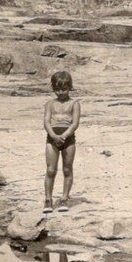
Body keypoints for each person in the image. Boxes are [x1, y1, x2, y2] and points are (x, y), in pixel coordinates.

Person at [43, 71, 81, 214]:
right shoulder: (50, 103)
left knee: (67, 168)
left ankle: (64, 198)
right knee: (51, 169)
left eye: (64, 89)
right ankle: (48, 199)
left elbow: (75, 123)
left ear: (69, 87)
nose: (61, 92)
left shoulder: (74, 103)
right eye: (57, 89)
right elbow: (46, 121)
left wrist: (64, 136)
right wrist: (53, 136)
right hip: (52, 138)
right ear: (53, 88)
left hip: (68, 139)